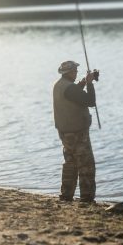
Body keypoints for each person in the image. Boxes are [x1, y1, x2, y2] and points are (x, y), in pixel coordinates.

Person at [52, 60, 96, 203]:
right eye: (75, 70)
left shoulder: (59, 85)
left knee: (70, 163)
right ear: (68, 72)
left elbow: (72, 94)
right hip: (78, 133)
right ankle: (87, 198)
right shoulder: (69, 88)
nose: (77, 72)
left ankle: (66, 195)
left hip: (65, 132)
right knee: (86, 165)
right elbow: (90, 101)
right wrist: (89, 83)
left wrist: (83, 82)